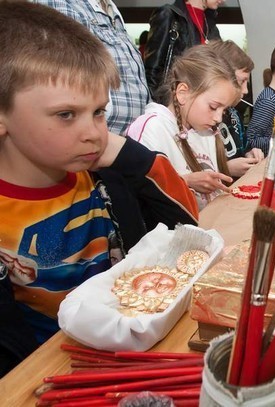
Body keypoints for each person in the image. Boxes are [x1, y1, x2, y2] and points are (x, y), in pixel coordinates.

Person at [0, 1, 199, 369]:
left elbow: (189, 230)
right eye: (66, 115)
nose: (94, 134)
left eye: (98, 112)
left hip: (135, 349)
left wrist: (134, 158)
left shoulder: (106, 176)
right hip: (53, 368)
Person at [127, 45, 238, 210]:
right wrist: (185, 182)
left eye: (224, 110)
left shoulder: (206, 132)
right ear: (182, 93)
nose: (218, 118)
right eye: (213, 107)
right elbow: (135, 194)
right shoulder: (153, 128)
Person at [34, 0, 150, 136]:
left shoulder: (111, 9)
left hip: (127, 141)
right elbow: (67, 93)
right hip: (97, 141)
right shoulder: (60, 3)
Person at [145, 0, 224, 101]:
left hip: (198, 102)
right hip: (171, 101)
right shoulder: (170, 15)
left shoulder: (211, 25)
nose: (223, 1)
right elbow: (152, 69)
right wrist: (157, 104)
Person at [208, 40, 264, 178]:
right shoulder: (204, 119)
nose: (245, 90)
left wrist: (250, 153)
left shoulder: (234, 114)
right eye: (241, 81)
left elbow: (244, 146)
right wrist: (225, 169)